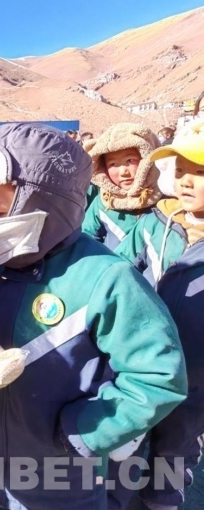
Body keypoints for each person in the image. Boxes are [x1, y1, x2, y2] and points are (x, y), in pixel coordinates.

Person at [0, 122, 186, 510]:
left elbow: (158, 376)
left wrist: (85, 431)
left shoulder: (107, 278)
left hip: (65, 474)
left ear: (45, 205)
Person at [115, 122, 204, 509]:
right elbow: (118, 271)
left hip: (196, 374)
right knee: (129, 441)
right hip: (141, 363)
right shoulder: (154, 223)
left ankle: (162, 500)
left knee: (175, 445)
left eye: (200, 172)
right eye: (180, 170)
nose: (186, 181)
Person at [82, 123, 161, 251]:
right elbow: (86, 240)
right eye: (113, 164)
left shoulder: (165, 202)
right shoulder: (103, 202)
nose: (123, 172)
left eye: (130, 160)